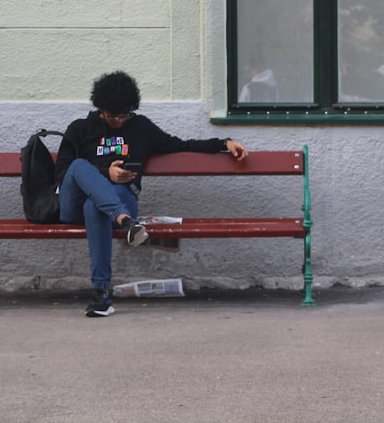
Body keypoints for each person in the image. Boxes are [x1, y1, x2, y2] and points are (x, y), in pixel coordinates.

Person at [54, 70, 249, 317]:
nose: (119, 122)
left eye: (125, 116)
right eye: (113, 116)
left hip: (116, 202)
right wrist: (105, 172)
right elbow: (61, 173)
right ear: (101, 108)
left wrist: (224, 143)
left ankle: (101, 295)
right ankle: (125, 221)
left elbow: (182, 145)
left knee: (96, 207)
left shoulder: (140, 127)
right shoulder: (80, 129)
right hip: (74, 205)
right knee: (79, 166)